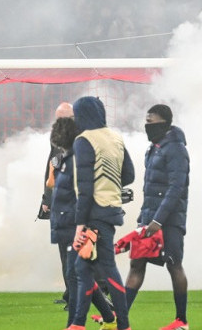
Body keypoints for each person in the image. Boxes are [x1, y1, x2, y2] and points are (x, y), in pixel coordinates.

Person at [47, 104, 118, 330]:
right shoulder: (65, 156)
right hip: (63, 220)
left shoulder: (78, 156)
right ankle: (109, 319)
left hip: (75, 222)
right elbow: (52, 184)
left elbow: (79, 190)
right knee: (78, 273)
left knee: (75, 273)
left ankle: (74, 324)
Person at [68, 96, 134, 330]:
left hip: (94, 213)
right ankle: (80, 323)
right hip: (112, 209)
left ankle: (123, 325)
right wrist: (109, 182)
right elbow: (129, 175)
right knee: (82, 267)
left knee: (107, 268)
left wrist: (79, 226)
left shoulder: (84, 140)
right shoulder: (115, 137)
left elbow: (85, 189)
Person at [125, 104, 190, 330]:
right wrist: (145, 218)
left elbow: (176, 188)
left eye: (150, 122)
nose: (146, 126)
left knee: (174, 265)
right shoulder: (154, 148)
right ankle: (119, 321)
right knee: (136, 264)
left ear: (164, 122)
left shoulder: (176, 149)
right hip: (149, 219)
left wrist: (158, 220)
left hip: (168, 221)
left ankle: (182, 321)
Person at [41, 101, 75, 306]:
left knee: (77, 250)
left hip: (74, 202)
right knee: (65, 249)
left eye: (67, 118)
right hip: (59, 201)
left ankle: (85, 295)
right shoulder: (57, 138)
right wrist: (47, 197)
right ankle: (70, 293)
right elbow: (51, 164)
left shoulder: (80, 138)